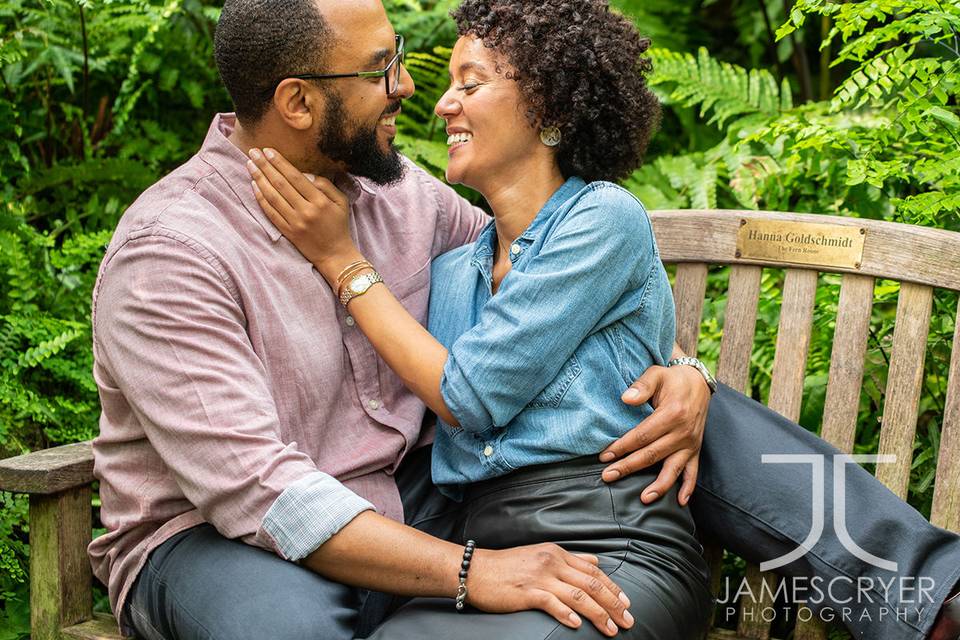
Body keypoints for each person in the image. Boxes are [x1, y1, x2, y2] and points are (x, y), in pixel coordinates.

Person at [88, 0, 960, 639]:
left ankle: (930, 601)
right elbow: (263, 494)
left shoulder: (402, 198)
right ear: (299, 102)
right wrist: (477, 573)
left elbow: (569, 298)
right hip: (220, 537)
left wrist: (686, 374)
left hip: (419, 494)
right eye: (383, 69)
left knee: (673, 409)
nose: (409, 89)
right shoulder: (172, 253)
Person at [248, 0, 714, 636]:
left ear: (549, 109)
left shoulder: (604, 218)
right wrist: (686, 366)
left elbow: (469, 393)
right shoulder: (453, 266)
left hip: (611, 545)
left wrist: (340, 259)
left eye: (471, 83)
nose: (441, 104)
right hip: (491, 556)